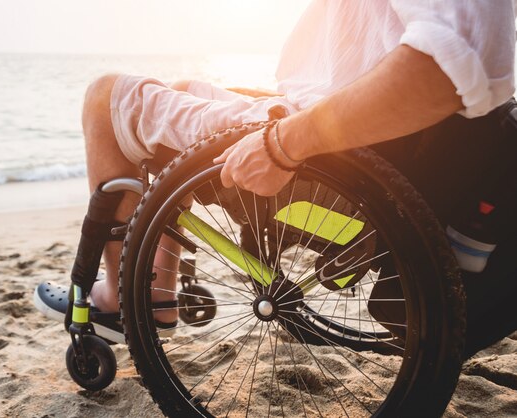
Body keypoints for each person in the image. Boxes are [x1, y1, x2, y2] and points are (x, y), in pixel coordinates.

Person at [35, 0, 516, 352]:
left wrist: (281, 144)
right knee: (180, 89)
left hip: (334, 162)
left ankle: (122, 298)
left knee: (105, 99)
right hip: (347, 143)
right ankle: (156, 291)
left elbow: (448, 68)